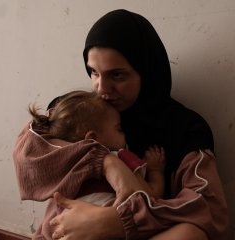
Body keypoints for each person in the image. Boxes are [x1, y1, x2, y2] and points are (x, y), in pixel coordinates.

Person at [48, 9, 229, 240]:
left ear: (147, 72)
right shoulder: (77, 112)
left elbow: (210, 209)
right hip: (69, 231)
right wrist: (105, 162)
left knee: (191, 234)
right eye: (93, 72)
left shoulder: (185, 128)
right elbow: (28, 159)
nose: (101, 89)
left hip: (143, 233)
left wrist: (117, 222)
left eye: (117, 75)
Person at [13, 90, 165, 240]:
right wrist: (155, 170)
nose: (124, 134)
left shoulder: (66, 170)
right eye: (119, 129)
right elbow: (150, 196)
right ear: (93, 138)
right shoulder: (120, 158)